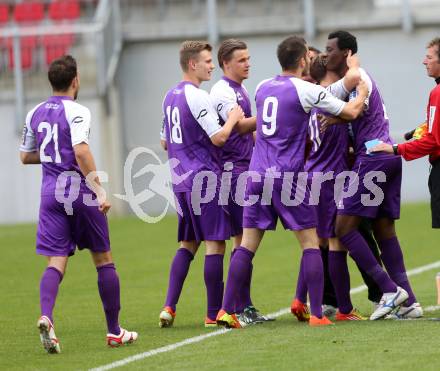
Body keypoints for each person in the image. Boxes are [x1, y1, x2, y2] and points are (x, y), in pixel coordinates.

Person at [216, 35, 369, 328]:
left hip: (257, 175)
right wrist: (360, 91)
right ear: (302, 61)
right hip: (288, 177)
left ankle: (226, 310)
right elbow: (349, 111)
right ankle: (317, 315)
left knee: (246, 245)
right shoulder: (304, 89)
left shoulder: (262, 87)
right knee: (311, 243)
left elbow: (263, 121)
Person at [19, 55, 137, 353]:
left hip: (49, 194)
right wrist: (99, 190)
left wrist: (53, 156)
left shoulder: (34, 112)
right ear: (75, 80)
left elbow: (25, 156)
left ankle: (47, 316)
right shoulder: (78, 111)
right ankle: (114, 332)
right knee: (103, 259)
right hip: (76, 190)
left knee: (56, 261)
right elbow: (81, 152)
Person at [323, 30, 421, 320]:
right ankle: (410, 303)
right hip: (385, 156)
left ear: (347, 53)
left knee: (343, 228)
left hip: (374, 159)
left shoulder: (358, 76)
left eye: (331, 49)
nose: (327, 54)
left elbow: (354, 111)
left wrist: (331, 117)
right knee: (383, 231)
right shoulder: (350, 80)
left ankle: (390, 291)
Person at [159, 41, 244, 328]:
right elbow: (219, 138)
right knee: (216, 244)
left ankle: (169, 306)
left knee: (188, 244)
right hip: (205, 179)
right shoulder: (198, 96)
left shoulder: (169, 96)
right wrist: (232, 119)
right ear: (192, 64)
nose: (211, 66)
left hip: (180, 181)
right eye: (207, 61)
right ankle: (212, 314)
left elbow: (163, 141)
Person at [292, 52, 367, 321]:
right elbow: (355, 110)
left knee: (315, 242)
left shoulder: (310, 100)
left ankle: (301, 299)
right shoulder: (328, 100)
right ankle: (344, 309)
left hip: (312, 174)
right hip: (329, 178)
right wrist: (362, 92)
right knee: (335, 243)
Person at [210, 39, 272, 325]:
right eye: (241, 60)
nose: (248, 63)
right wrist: (275, 115)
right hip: (233, 172)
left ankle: (241, 306)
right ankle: (236, 308)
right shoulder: (222, 92)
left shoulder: (240, 89)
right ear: (226, 63)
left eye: (248, 58)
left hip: (247, 169)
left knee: (244, 242)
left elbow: (249, 131)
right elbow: (241, 125)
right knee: (244, 241)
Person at [371, 37, 440, 232]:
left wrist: (394, 149)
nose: (424, 61)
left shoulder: (438, 92)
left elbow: (434, 141)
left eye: (429, 57)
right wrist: (425, 127)